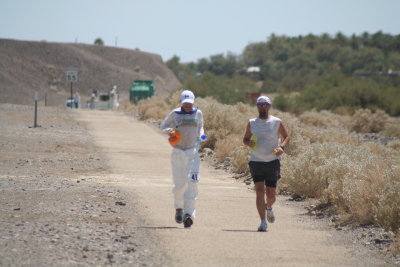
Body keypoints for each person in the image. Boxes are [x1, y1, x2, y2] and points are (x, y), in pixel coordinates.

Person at [243, 95, 290, 232]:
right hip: (256, 161)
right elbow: (245, 139)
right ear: (257, 106)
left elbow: (286, 136)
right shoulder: (252, 122)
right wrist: (248, 142)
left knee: (271, 195)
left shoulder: (276, 122)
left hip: (272, 162)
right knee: (259, 191)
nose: (262, 107)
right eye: (260, 105)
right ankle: (263, 221)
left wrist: (282, 147)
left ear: (269, 106)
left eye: (264, 105)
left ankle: (269, 207)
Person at [160, 90, 205, 228]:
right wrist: (171, 131)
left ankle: (188, 214)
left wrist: (202, 136)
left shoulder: (198, 113)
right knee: (180, 185)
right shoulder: (175, 113)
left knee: (193, 182)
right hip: (178, 152)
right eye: (185, 104)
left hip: (193, 153)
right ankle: (179, 208)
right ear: (181, 102)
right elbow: (163, 126)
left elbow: (201, 127)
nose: (188, 106)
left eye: (190, 103)